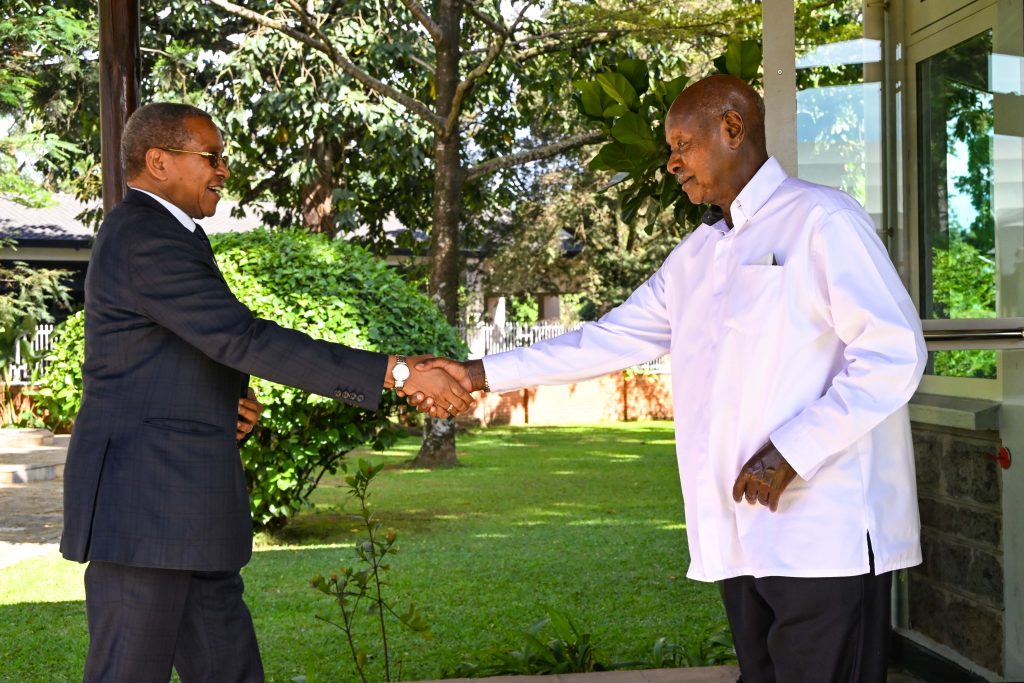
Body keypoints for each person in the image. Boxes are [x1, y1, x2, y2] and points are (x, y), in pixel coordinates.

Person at [413, 75, 926, 682]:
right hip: (741, 535)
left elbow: (894, 353)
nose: (672, 163)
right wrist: (477, 373)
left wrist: (794, 448)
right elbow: (606, 339)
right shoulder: (695, 257)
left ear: (732, 128)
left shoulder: (823, 219)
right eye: (670, 149)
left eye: (683, 144)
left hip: (827, 534)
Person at [60, 102, 472, 683]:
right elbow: (241, 337)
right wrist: (397, 372)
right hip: (146, 511)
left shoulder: (172, 235)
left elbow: (174, 351)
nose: (223, 170)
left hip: (188, 511)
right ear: (159, 161)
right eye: (211, 157)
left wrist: (218, 406)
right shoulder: (143, 235)